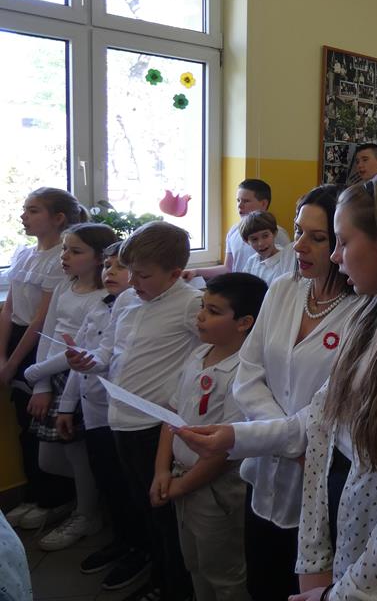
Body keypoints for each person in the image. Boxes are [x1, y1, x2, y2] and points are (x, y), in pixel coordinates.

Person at [173, 173, 377, 601]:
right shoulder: (376, 310)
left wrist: (344, 595)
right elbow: (323, 422)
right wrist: (313, 559)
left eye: (341, 241)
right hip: (352, 550)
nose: (336, 257)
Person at [232, 184, 360, 601]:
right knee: (260, 582)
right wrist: (284, 438)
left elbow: (339, 402)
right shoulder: (284, 290)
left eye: (317, 238)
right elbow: (248, 373)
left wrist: (281, 436)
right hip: (267, 469)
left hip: (320, 479)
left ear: (344, 243)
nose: (299, 245)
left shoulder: (363, 310)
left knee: (303, 587)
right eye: (298, 230)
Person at [66, 221, 203, 601]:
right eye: (132, 273)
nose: (134, 282)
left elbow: (214, 354)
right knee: (140, 508)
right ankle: (155, 573)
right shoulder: (127, 300)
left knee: (164, 516)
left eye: (144, 275)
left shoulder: (191, 304)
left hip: (155, 427)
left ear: (174, 274)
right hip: (119, 420)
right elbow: (109, 353)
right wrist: (87, 360)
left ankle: (173, 587)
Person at [151, 273, 268, 601]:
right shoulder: (198, 355)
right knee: (194, 562)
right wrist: (162, 471)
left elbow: (226, 451)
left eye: (213, 311)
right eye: (202, 306)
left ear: (244, 322)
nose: (200, 316)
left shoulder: (244, 373)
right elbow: (172, 415)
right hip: (180, 477)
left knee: (224, 573)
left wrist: (182, 486)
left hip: (214, 488)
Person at [56, 243, 148, 589]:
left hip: (127, 417)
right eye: (107, 266)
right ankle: (123, 541)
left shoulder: (143, 309)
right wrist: (67, 406)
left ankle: (142, 550)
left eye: (120, 267)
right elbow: (82, 358)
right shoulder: (99, 307)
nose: (110, 272)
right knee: (109, 482)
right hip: (95, 412)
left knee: (132, 488)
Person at [24, 223, 117, 552]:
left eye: (75, 251)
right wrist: (41, 384)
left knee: (78, 454)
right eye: (65, 248)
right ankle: (82, 499)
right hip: (51, 375)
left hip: (77, 377)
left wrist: (35, 372)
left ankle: (88, 513)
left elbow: (80, 348)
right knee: (49, 459)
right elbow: (49, 333)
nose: (65, 256)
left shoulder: (103, 299)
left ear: (99, 258)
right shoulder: (66, 285)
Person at [1, 188, 87, 531]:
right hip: (17, 343)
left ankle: (56, 498)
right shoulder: (24, 253)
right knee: (26, 423)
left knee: (45, 425)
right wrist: (3, 355)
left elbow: (41, 321)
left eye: (33, 210)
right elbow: (9, 309)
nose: (23, 216)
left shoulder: (59, 260)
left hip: (40, 345)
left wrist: (14, 362)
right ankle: (35, 494)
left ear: (58, 218)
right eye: (25, 209)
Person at [196, 179, 290, 279]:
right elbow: (228, 268)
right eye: (238, 200)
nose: (240, 205)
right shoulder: (234, 231)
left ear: (263, 204)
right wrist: (196, 272)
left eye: (246, 201)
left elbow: (288, 265)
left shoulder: (277, 233)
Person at [238, 210, 294, 285]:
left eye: (265, 236)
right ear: (246, 241)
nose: (261, 243)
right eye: (254, 239)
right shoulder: (251, 262)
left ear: (274, 233)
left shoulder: (287, 261)